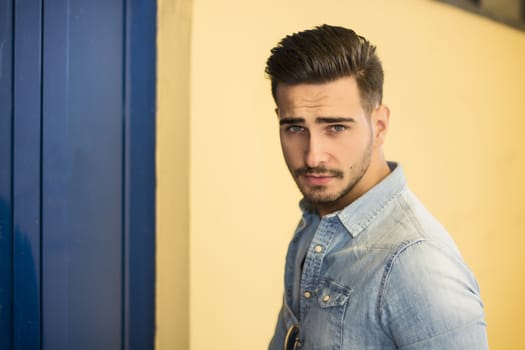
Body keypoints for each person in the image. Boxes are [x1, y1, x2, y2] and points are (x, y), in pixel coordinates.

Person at [265, 24, 488, 350]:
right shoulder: (318, 220)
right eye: (295, 127)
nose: (313, 155)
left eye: (336, 127)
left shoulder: (417, 264)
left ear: (379, 125)